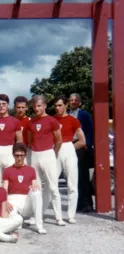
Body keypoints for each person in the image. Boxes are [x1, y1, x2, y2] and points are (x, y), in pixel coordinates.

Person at [27, 95, 65, 226]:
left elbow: (59, 140)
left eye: (39, 106)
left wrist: (52, 153)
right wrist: (35, 151)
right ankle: (37, 216)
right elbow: (30, 139)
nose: (36, 108)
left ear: (45, 106)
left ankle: (58, 217)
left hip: (48, 153)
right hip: (35, 155)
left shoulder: (52, 121)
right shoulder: (31, 121)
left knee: (53, 187)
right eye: (34, 106)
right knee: (36, 188)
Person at [54, 95, 86, 223]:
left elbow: (82, 141)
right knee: (52, 183)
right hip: (55, 149)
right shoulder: (52, 120)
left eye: (60, 105)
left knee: (72, 184)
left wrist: (70, 147)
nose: (57, 108)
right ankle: (58, 215)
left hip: (68, 148)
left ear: (66, 105)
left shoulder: (73, 120)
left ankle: (71, 215)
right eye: (56, 105)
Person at [2, 143, 46, 234]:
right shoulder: (7, 170)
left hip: (26, 200)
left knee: (37, 191)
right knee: (17, 226)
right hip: (12, 200)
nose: (19, 158)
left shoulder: (31, 170)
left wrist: (35, 185)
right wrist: (6, 201)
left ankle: (39, 225)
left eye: (22, 155)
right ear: (13, 155)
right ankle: (18, 220)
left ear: (25, 155)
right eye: (17, 155)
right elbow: (4, 188)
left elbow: (34, 184)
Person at [69, 93, 94, 212]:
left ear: (79, 102)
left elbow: (90, 130)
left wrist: (87, 145)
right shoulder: (67, 115)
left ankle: (87, 205)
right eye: (71, 100)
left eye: (75, 100)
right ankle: (78, 204)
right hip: (69, 145)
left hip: (81, 146)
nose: (73, 102)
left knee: (83, 176)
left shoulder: (84, 114)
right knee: (74, 176)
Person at [0, 94, 22, 185]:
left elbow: (19, 140)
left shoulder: (15, 121)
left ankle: (10, 198)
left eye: (4, 104)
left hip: (10, 150)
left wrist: (18, 154)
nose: (1, 106)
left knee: (11, 178)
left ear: (8, 105)